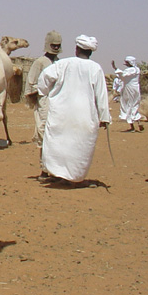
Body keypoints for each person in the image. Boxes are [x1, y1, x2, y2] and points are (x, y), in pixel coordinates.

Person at [37, 34, 111, 185]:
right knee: (80, 147)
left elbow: (44, 78)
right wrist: (104, 117)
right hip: (85, 115)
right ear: (90, 52)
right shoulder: (95, 68)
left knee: (60, 143)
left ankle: (59, 174)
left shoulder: (63, 64)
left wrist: (44, 92)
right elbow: (101, 95)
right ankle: (74, 178)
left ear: (77, 49)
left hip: (61, 113)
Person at [24, 31, 62, 150]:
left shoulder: (59, 62)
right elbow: (31, 82)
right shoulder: (40, 62)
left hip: (57, 99)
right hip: (43, 98)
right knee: (43, 125)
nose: (56, 47)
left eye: (58, 45)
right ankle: (44, 152)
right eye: (53, 45)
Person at [112, 56, 142, 132]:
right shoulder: (137, 69)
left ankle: (132, 126)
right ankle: (138, 123)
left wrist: (115, 68)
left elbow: (122, 76)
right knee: (134, 105)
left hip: (129, 89)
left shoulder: (130, 70)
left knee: (128, 105)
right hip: (136, 89)